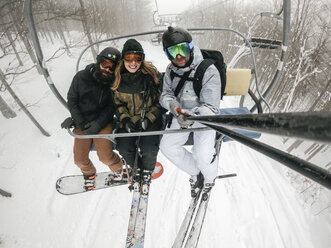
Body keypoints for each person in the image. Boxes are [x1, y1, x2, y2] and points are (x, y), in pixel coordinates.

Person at [159, 26, 221, 197]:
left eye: (182, 49)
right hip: (180, 114)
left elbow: (211, 106)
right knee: (167, 147)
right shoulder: (171, 70)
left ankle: (209, 177)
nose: (178, 57)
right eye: (173, 52)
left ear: (191, 47)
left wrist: (193, 116)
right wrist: (171, 105)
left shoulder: (207, 69)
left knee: (202, 153)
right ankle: (195, 172)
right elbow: (166, 93)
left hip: (204, 117)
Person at [61, 47, 123, 191]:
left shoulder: (114, 82)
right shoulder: (81, 77)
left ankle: (118, 169)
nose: (107, 69)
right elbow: (72, 99)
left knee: (105, 156)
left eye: (112, 67)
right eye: (105, 64)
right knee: (79, 159)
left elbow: (111, 106)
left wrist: (98, 123)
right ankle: (89, 174)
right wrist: (80, 121)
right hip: (82, 121)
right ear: (98, 61)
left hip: (103, 122)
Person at [112, 39, 164, 194]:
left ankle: (147, 171)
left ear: (142, 59)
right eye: (128, 58)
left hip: (149, 119)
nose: (133, 63)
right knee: (124, 146)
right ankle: (137, 168)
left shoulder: (151, 77)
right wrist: (125, 119)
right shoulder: (117, 79)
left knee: (148, 147)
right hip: (129, 120)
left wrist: (149, 118)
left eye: (137, 58)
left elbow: (162, 102)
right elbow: (117, 104)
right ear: (123, 59)